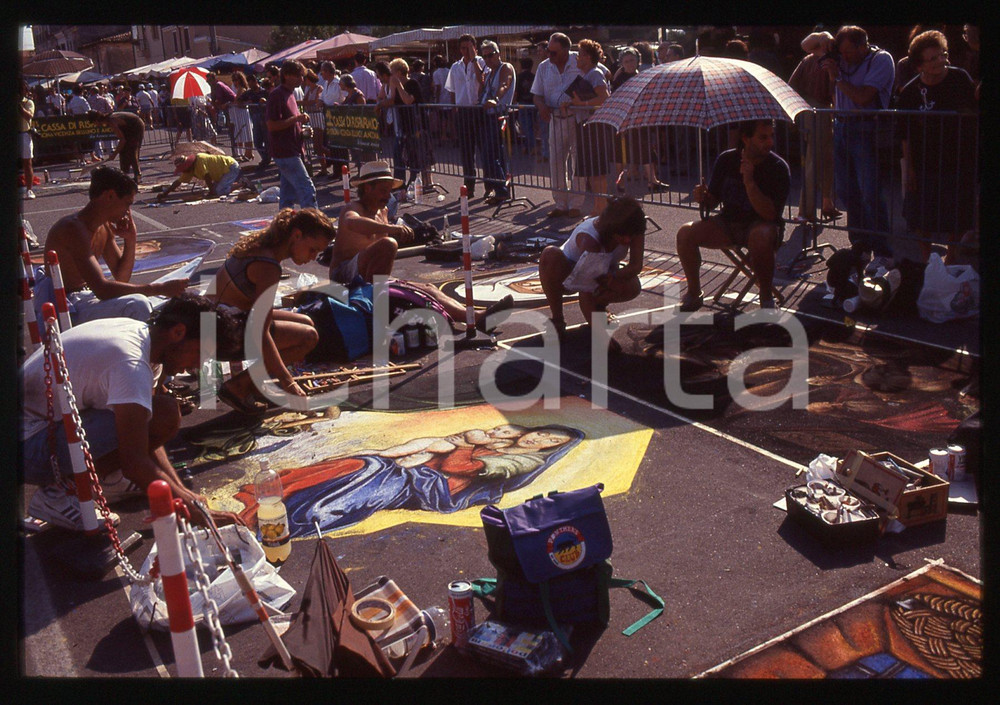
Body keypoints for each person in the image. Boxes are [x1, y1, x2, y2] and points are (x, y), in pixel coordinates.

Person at [22, 293, 247, 530]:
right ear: (178, 332)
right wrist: (186, 505)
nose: (198, 366)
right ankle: (60, 493)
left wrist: (179, 490)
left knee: (161, 413)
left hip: (42, 429)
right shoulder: (131, 363)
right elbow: (134, 461)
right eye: (201, 354)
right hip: (28, 446)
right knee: (158, 416)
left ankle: (99, 480)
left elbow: (147, 430)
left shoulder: (147, 340)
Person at [233, 424, 581, 536]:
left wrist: (470, 446)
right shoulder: (491, 439)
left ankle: (305, 518)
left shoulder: (514, 460)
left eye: (551, 442)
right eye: (543, 433)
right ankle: (280, 496)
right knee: (365, 462)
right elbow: (422, 447)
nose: (540, 440)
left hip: (433, 487)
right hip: (415, 471)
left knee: (373, 478)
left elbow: (460, 470)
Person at [209, 209, 335, 413]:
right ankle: (238, 386)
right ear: (296, 235)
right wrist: (289, 383)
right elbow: (260, 330)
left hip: (218, 319)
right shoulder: (268, 266)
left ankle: (252, 383)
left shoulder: (262, 246)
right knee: (308, 337)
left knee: (307, 321)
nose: (313, 257)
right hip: (219, 333)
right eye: (312, 249)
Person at [34, 166, 189, 325]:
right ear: (109, 196)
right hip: (66, 305)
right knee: (138, 305)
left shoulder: (103, 227)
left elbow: (121, 277)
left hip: (85, 295)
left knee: (171, 307)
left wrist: (130, 238)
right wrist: (159, 288)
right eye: (127, 204)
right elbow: (102, 289)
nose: (127, 212)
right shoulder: (73, 229)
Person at [675, 119, 791, 311]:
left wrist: (750, 182)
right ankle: (694, 293)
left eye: (771, 136)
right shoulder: (727, 159)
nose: (769, 142)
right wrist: (703, 196)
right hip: (728, 223)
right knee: (685, 233)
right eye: (763, 137)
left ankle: (766, 297)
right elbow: (712, 202)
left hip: (761, 225)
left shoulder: (778, 167)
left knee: (760, 236)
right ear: (746, 138)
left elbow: (770, 215)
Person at [896, 30, 977, 263]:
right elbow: (904, 134)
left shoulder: (960, 79)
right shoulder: (910, 93)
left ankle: (951, 257)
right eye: (932, 59)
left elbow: (973, 112)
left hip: (959, 160)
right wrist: (909, 168)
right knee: (921, 215)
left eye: (943, 54)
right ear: (919, 65)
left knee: (957, 214)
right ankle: (926, 259)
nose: (940, 61)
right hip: (924, 163)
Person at [823, 25, 895, 260]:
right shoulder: (841, 58)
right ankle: (860, 243)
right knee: (846, 190)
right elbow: (807, 44)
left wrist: (837, 77)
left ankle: (882, 248)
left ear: (863, 46)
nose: (845, 58)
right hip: (842, 125)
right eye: (841, 53)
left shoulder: (881, 59)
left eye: (850, 53)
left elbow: (863, 97)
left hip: (866, 127)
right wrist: (827, 41)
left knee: (869, 191)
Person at [539, 195, 646, 336]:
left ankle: (600, 307)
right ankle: (557, 319)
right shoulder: (589, 239)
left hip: (605, 269)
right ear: (611, 228)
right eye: (622, 235)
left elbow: (635, 266)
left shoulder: (633, 227)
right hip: (568, 272)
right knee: (550, 254)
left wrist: (613, 275)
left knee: (632, 286)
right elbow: (586, 290)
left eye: (631, 236)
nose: (627, 240)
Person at [331, 160, 416, 285]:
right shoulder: (353, 208)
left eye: (389, 191)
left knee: (428, 289)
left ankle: (378, 294)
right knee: (388, 244)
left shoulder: (384, 211)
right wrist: (393, 228)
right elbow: (351, 222)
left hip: (370, 275)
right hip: (343, 276)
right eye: (383, 191)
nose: (387, 197)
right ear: (367, 188)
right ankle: (377, 300)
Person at [788, 30, 840, 222]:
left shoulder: (808, 60)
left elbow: (791, 85)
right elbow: (833, 89)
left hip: (813, 110)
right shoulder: (825, 62)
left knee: (825, 159)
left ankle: (827, 202)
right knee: (815, 160)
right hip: (820, 111)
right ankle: (805, 211)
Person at [532, 32, 583, 219]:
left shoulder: (579, 60)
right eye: (548, 51)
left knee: (578, 162)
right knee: (556, 162)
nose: (549, 55)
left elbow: (601, 73)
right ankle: (561, 204)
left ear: (566, 50)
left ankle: (576, 204)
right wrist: (541, 106)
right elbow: (536, 94)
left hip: (576, 118)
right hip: (555, 119)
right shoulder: (544, 67)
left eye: (553, 52)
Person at [570, 39, 614, 217]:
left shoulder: (595, 73)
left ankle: (600, 207)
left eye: (579, 54)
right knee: (593, 171)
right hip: (587, 125)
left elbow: (604, 97)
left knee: (597, 171)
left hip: (594, 126)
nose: (577, 58)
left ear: (587, 57)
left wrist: (583, 103)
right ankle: (598, 207)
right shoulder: (589, 74)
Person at [266, 59, 317, 210]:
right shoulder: (277, 95)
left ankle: (284, 225)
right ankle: (314, 224)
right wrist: (296, 119)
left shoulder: (290, 94)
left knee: (287, 196)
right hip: (285, 151)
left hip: (292, 149)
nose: (302, 79)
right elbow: (271, 125)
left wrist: (302, 131)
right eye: (299, 76)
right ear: (287, 76)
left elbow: (289, 123)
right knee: (307, 190)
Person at [384, 58, 435, 194]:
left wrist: (398, 85)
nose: (391, 75)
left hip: (418, 125)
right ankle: (401, 185)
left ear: (400, 72)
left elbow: (407, 101)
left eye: (393, 72)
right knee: (403, 155)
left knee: (420, 154)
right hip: (404, 125)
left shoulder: (412, 83)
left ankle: (423, 183)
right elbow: (392, 100)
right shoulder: (396, 84)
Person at [444, 33, 486, 198]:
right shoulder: (455, 67)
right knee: (467, 152)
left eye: (468, 48)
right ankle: (470, 187)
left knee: (485, 149)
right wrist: (454, 109)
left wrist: (474, 59)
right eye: (463, 48)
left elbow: (482, 80)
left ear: (475, 47)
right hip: (463, 111)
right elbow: (453, 90)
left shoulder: (482, 62)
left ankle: (490, 186)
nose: (466, 51)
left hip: (479, 109)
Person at [478, 40, 515, 205]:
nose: (487, 59)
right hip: (488, 116)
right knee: (489, 155)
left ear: (498, 53)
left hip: (499, 115)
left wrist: (496, 99)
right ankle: (497, 188)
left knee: (492, 154)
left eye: (490, 55)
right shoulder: (489, 72)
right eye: (484, 56)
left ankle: (502, 190)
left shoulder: (505, 67)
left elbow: (505, 85)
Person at [88, 109, 146, 184]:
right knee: (123, 151)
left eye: (94, 123)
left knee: (131, 151)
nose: (95, 125)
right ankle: (124, 174)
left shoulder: (112, 121)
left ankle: (138, 175)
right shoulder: (109, 120)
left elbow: (122, 140)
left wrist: (114, 154)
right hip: (127, 127)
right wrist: (116, 152)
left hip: (136, 126)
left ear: (96, 120)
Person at [157, 153, 246, 201]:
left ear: (186, 165)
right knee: (217, 188)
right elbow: (178, 182)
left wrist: (212, 192)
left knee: (219, 191)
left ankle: (243, 183)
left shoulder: (199, 160)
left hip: (230, 166)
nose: (183, 172)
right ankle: (235, 183)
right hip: (223, 172)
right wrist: (165, 193)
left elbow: (207, 177)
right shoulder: (189, 170)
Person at [229, 71, 255, 163]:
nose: (235, 82)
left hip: (243, 112)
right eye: (233, 80)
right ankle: (245, 153)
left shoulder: (242, 88)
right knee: (240, 134)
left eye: (237, 80)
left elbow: (237, 100)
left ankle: (249, 153)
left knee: (247, 133)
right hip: (236, 113)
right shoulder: (232, 87)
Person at [514, 57, 536, 155]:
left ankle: (531, 146)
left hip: (523, 103)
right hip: (533, 103)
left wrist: (514, 102)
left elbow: (516, 91)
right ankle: (527, 147)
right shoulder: (533, 76)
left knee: (525, 126)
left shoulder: (519, 77)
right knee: (530, 126)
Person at [20, 80, 36, 200]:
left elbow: (28, 116)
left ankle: (29, 189)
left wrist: (18, 105)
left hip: (24, 133)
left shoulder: (28, 102)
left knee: (27, 162)